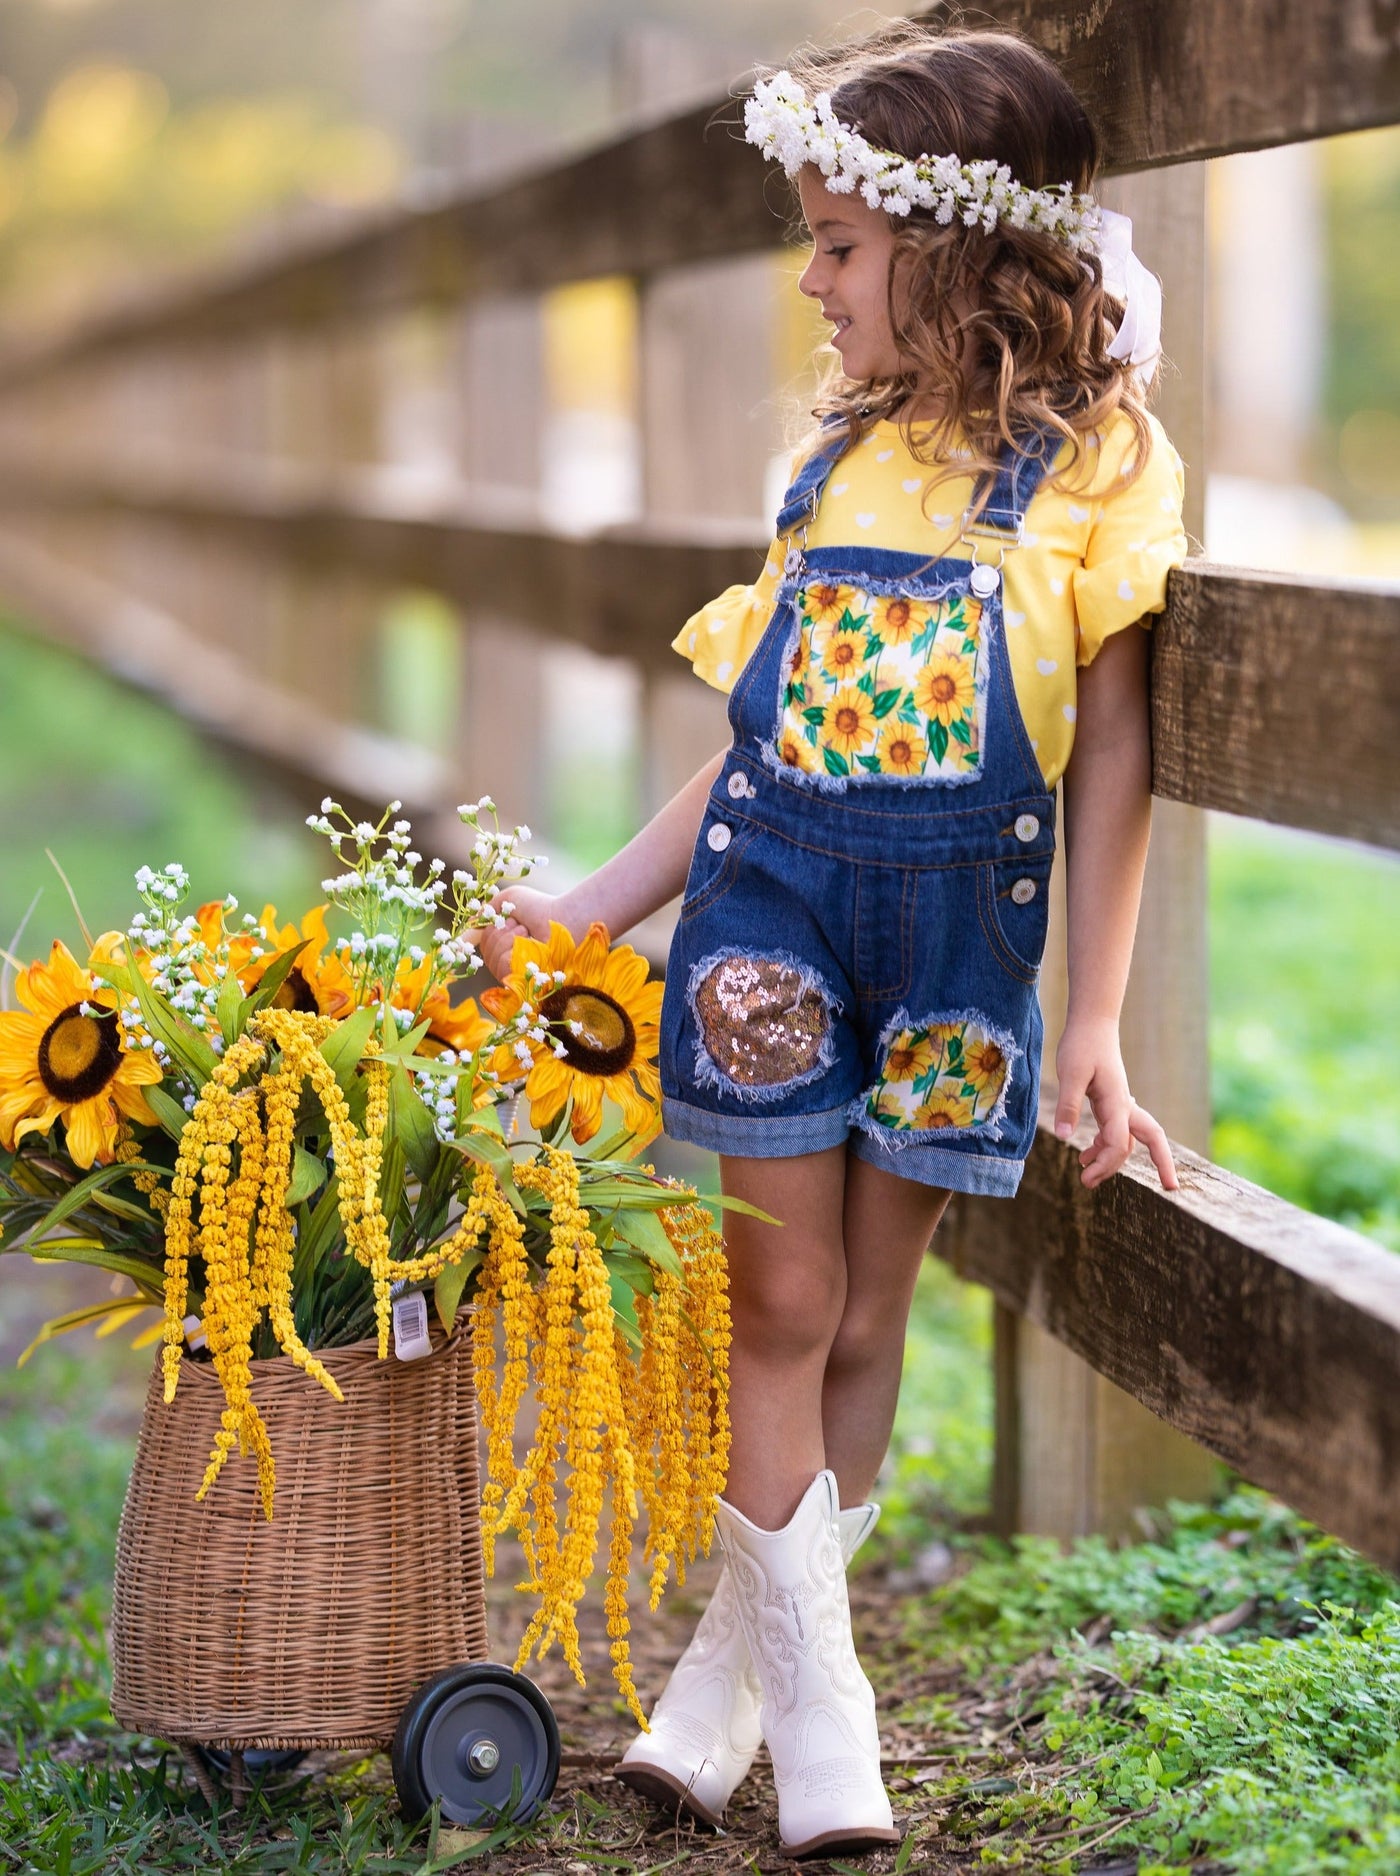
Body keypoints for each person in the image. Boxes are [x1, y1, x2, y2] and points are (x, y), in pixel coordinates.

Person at [480, 21, 1186, 1861]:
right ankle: (828, 1719)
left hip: (962, 950)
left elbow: (1115, 754)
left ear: (955, 253)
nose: (813, 281)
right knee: (783, 1305)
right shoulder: (834, 461)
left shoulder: (1104, 467)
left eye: (840, 246)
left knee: (871, 1317)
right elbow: (753, 745)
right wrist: (591, 909)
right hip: (771, 917)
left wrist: (1095, 1017)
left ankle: (730, 1688)